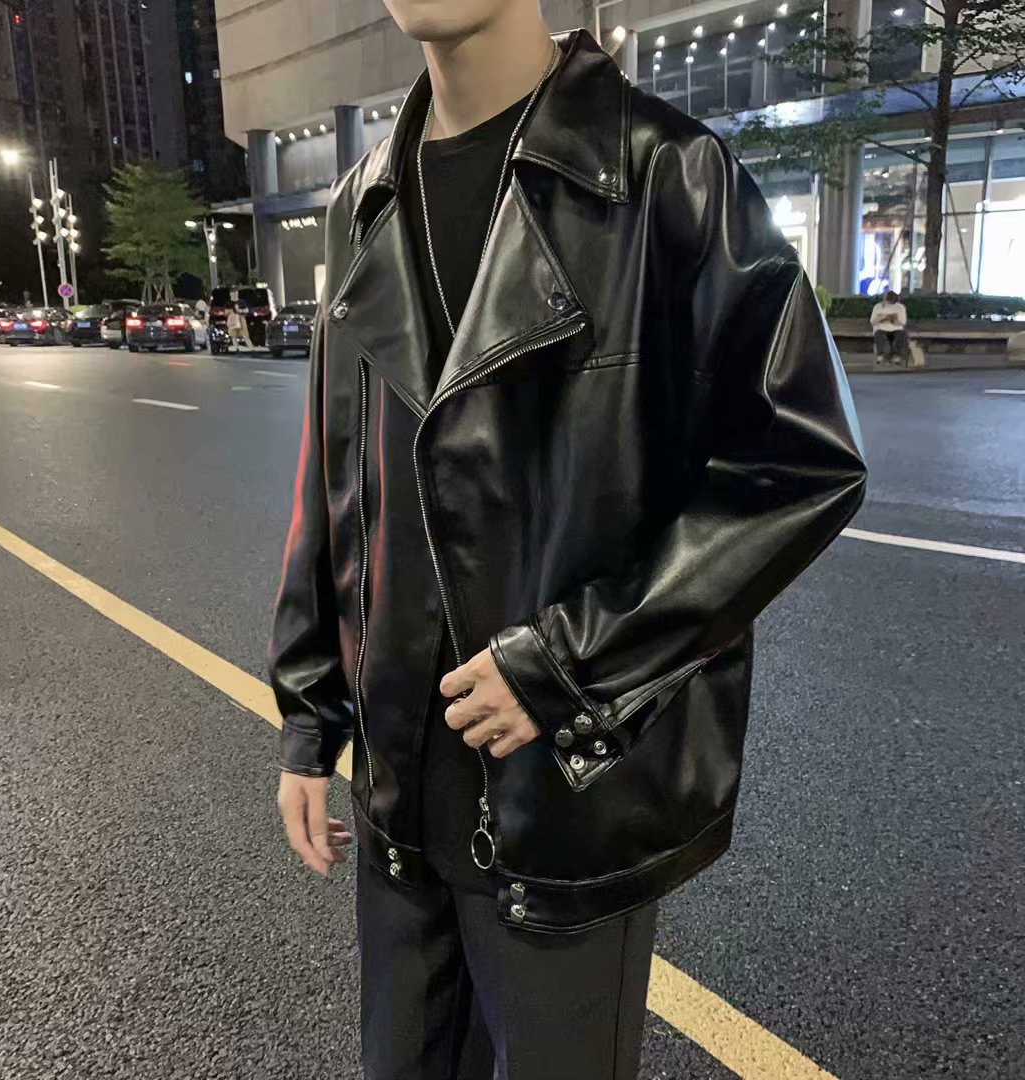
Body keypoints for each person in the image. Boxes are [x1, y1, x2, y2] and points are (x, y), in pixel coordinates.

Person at [270, 6, 867, 1079]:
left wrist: (569, 663)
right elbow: (338, 473)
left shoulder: (669, 175)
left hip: (563, 785)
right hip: (398, 792)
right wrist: (311, 722)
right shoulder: (362, 198)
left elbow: (801, 464)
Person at [870, 288, 909, 364]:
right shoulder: (877, 307)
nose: (889, 304)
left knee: (901, 335)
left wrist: (893, 319)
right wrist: (881, 318)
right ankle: (881, 354)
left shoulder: (900, 307)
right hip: (881, 328)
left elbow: (903, 322)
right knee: (879, 335)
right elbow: (872, 321)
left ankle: (897, 355)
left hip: (896, 329)